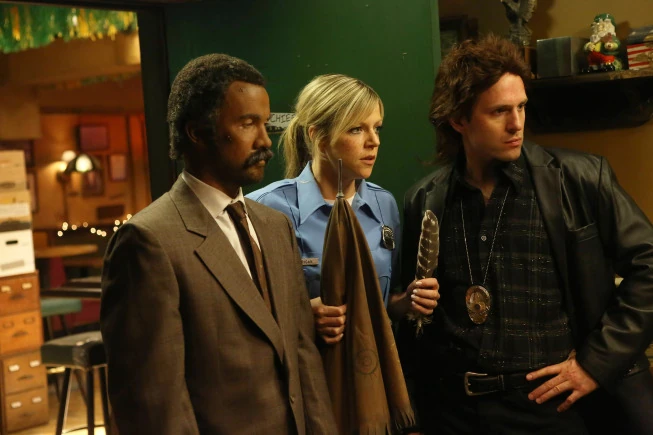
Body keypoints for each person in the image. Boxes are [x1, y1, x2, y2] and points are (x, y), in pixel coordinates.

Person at [399, 34, 653, 434]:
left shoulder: (581, 178)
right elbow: (412, 320)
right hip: (453, 413)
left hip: (554, 410)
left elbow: (649, 265)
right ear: (459, 120)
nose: (517, 123)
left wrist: (594, 364)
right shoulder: (424, 200)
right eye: (499, 111)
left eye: (520, 106)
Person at [100, 54, 337, 435]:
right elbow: (154, 405)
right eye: (247, 124)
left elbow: (302, 354)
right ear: (197, 132)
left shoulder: (274, 226)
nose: (265, 141)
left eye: (265, 124)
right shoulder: (148, 241)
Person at [247, 74, 439, 345]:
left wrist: (407, 300)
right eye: (356, 129)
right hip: (305, 365)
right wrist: (302, 316)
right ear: (318, 137)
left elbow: (384, 305)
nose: (374, 141)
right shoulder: (265, 207)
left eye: (377, 128)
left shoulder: (384, 204)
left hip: (372, 362)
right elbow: (243, 314)